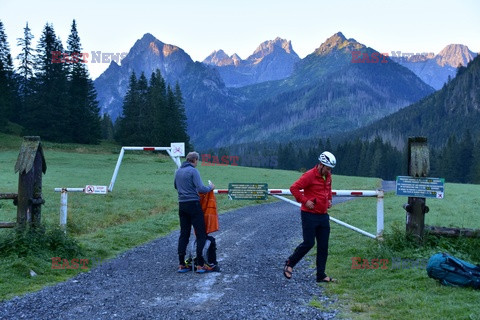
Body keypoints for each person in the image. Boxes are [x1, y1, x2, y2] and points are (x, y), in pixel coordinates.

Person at [283, 151, 337, 283]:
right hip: (309, 215)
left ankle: (321, 275)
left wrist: (329, 199)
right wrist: (305, 201)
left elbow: (328, 189)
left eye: (330, 169)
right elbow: (294, 188)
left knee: (323, 246)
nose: (329, 171)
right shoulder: (309, 175)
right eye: (328, 168)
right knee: (309, 243)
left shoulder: (328, 176)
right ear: (321, 165)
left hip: (323, 216)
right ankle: (290, 263)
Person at [174, 151, 215, 273]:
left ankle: (181, 264)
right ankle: (200, 264)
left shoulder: (178, 171)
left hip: (182, 205)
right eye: (198, 161)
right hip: (194, 205)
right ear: (195, 160)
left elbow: (176, 186)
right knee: (200, 234)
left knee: (184, 234)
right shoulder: (193, 171)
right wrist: (211, 188)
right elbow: (201, 188)